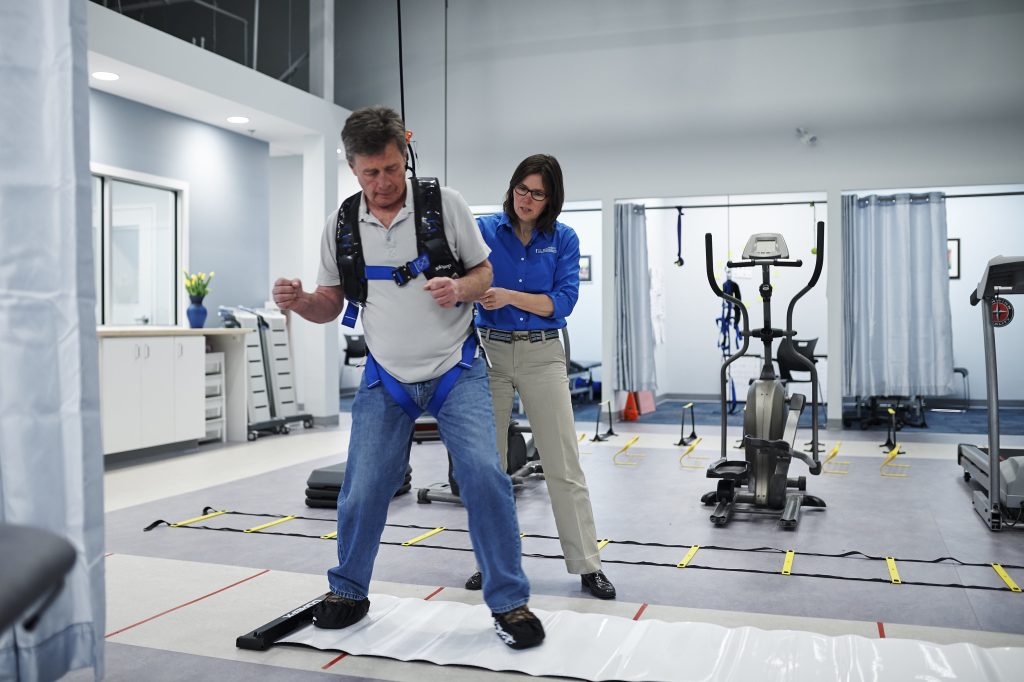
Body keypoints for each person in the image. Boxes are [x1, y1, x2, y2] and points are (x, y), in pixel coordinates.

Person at [272, 106, 544, 650]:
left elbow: (483, 270)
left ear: (406, 158)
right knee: (363, 488)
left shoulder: (446, 207)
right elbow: (331, 302)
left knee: (486, 480)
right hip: (386, 378)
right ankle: (348, 590)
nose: (383, 183)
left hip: (455, 369)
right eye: (371, 173)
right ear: (353, 168)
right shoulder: (342, 225)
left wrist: (461, 290)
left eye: (392, 169)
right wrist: (301, 301)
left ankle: (509, 602)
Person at [468, 154, 616, 600]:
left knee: (563, 464)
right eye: (520, 188)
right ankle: (492, 565)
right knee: (486, 468)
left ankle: (588, 565)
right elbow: (463, 279)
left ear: (551, 199)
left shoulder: (564, 239)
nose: (526, 199)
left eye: (537, 192)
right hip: (488, 351)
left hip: (542, 353)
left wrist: (510, 295)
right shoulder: (483, 230)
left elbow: (563, 302)